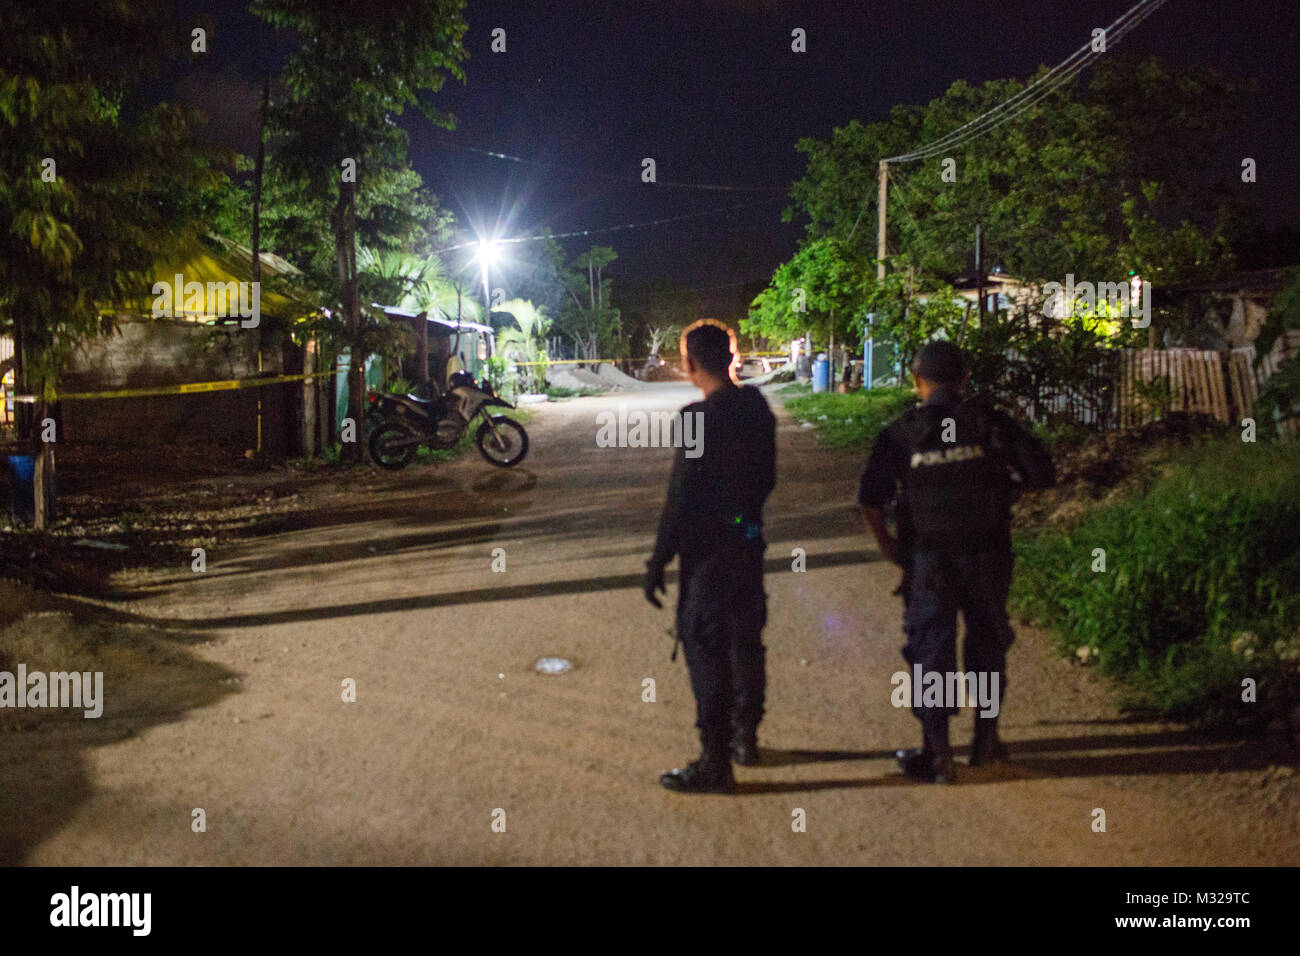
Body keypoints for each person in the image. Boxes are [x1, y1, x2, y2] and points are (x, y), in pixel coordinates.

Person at [857, 341, 1054, 784]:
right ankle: (985, 742)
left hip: (930, 560)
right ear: (964, 380)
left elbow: (870, 498)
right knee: (986, 642)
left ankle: (939, 752)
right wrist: (1005, 490)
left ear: (916, 381)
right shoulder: (990, 424)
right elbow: (1041, 472)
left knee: (932, 648)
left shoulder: (900, 432)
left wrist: (888, 546)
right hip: (987, 554)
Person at [645, 320, 777, 794]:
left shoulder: (695, 420)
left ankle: (715, 762)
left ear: (690, 364)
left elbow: (682, 495)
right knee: (746, 640)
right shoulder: (758, 408)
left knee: (706, 649)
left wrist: (660, 558)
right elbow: (766, 479)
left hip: (708, 555)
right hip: (747, 540)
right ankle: (747, 738)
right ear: (732, 357)